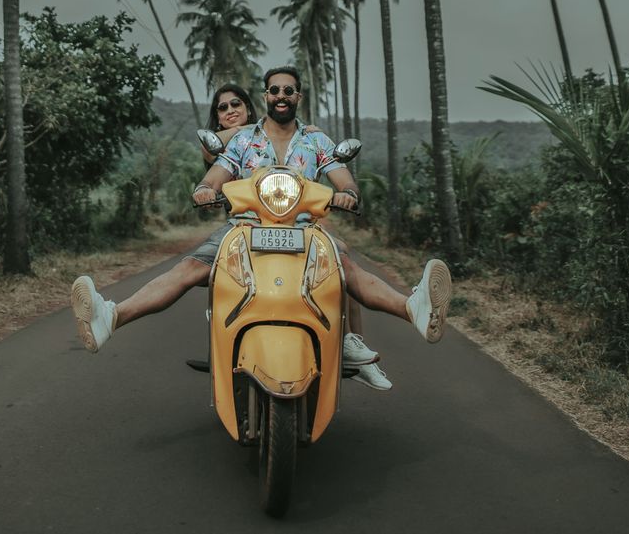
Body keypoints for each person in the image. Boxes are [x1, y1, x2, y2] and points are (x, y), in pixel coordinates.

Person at [71, 66, 452, 374]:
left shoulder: (317, 141)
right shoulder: (240, 141)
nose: (281, 96)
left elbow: (343, 178)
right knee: (187, 269)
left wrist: (347, 193)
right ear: (266, 96)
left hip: (304, 230)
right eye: (275, 90)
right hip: (245, 228)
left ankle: (413, 309)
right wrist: (204, 190)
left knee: (346, 268)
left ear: (298, 97)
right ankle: (111, 317)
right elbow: (215, 174)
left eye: (289, 91)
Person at [196, 80, 391, 391]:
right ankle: (219, 337)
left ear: (250, 106)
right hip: (246, 226)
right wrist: (250, 128)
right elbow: (212, 159)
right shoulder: (229, 142)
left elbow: (338, 179)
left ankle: (352, 342)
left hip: (298, 224)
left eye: (236, 105)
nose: (230, 111)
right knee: (206, 270)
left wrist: (306, 135)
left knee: (340, 261)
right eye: (223, 108)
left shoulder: (297, 137)